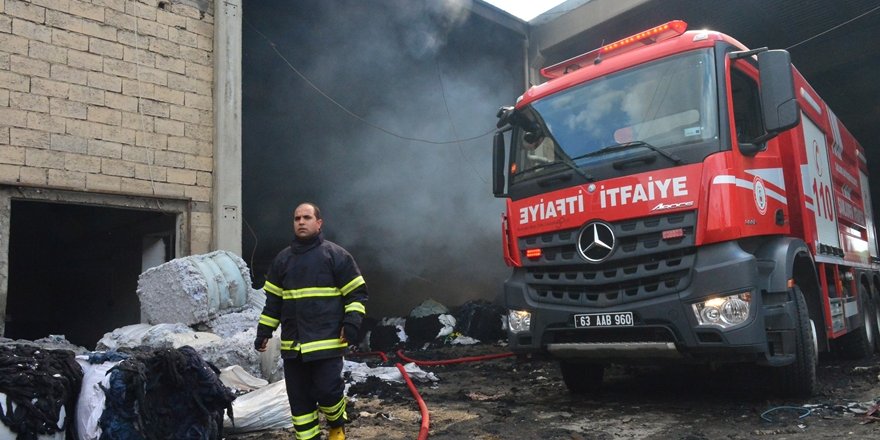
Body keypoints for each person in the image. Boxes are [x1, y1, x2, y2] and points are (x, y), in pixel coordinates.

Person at [255, 202, 367, 440]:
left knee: (328, 392)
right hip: (294, 347)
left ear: (319, 223)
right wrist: (264, 330)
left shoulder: (336, 256)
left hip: (326, 343)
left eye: (307, 217)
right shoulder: (282, 260)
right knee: (300, 404)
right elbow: (273, 302)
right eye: (297, 218)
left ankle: (337, 426)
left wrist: (352, 323)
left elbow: (356, 294)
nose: (301, 222)